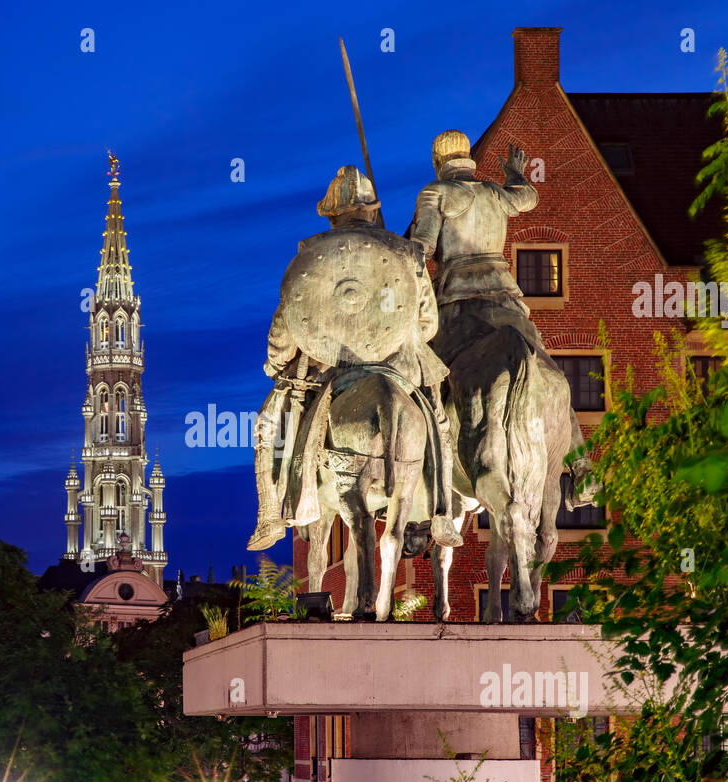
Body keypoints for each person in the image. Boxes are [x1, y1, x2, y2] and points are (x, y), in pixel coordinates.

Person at [248, 165, 462, 551]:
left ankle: (269, 515)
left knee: (268, 427)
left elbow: (286, 323)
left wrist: (276, 362)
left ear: (332, 214)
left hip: (330, 371)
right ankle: (444, 512)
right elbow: (428, 324)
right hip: (400, 366)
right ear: (371, 210)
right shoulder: (406, 251)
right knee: (441, 423)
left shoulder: (310, 253)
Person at [408, 130, 593, 499]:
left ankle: (427, 474)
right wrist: (514, 174)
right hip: (507, 300)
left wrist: (400, 250)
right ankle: (583, 469)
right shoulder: (492, 191)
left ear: (437, 161)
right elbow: (527, 198)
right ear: (468, 158)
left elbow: (423, 247)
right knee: (548, 373)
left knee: (423, 381)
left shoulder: (435, 192)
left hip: (458, 303)